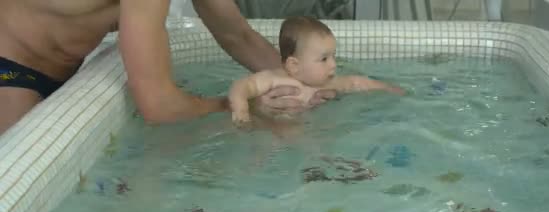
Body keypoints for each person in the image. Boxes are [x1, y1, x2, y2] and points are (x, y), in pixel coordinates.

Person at [0, 0, 336, 135]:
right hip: (10, 64)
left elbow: (238, 35)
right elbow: (159, 106)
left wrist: (304, 84)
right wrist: (244, 103)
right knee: (19, 177)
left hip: (60, 65)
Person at [228, 16, 405, 127]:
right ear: (294, 65)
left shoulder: (328, 83)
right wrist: (241, 110)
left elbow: (356, 82)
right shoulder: (274, 79)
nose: (333, 65)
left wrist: (388, 88)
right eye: (324, 59)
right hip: (278, 132)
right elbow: (242, 86)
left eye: (333, 56)